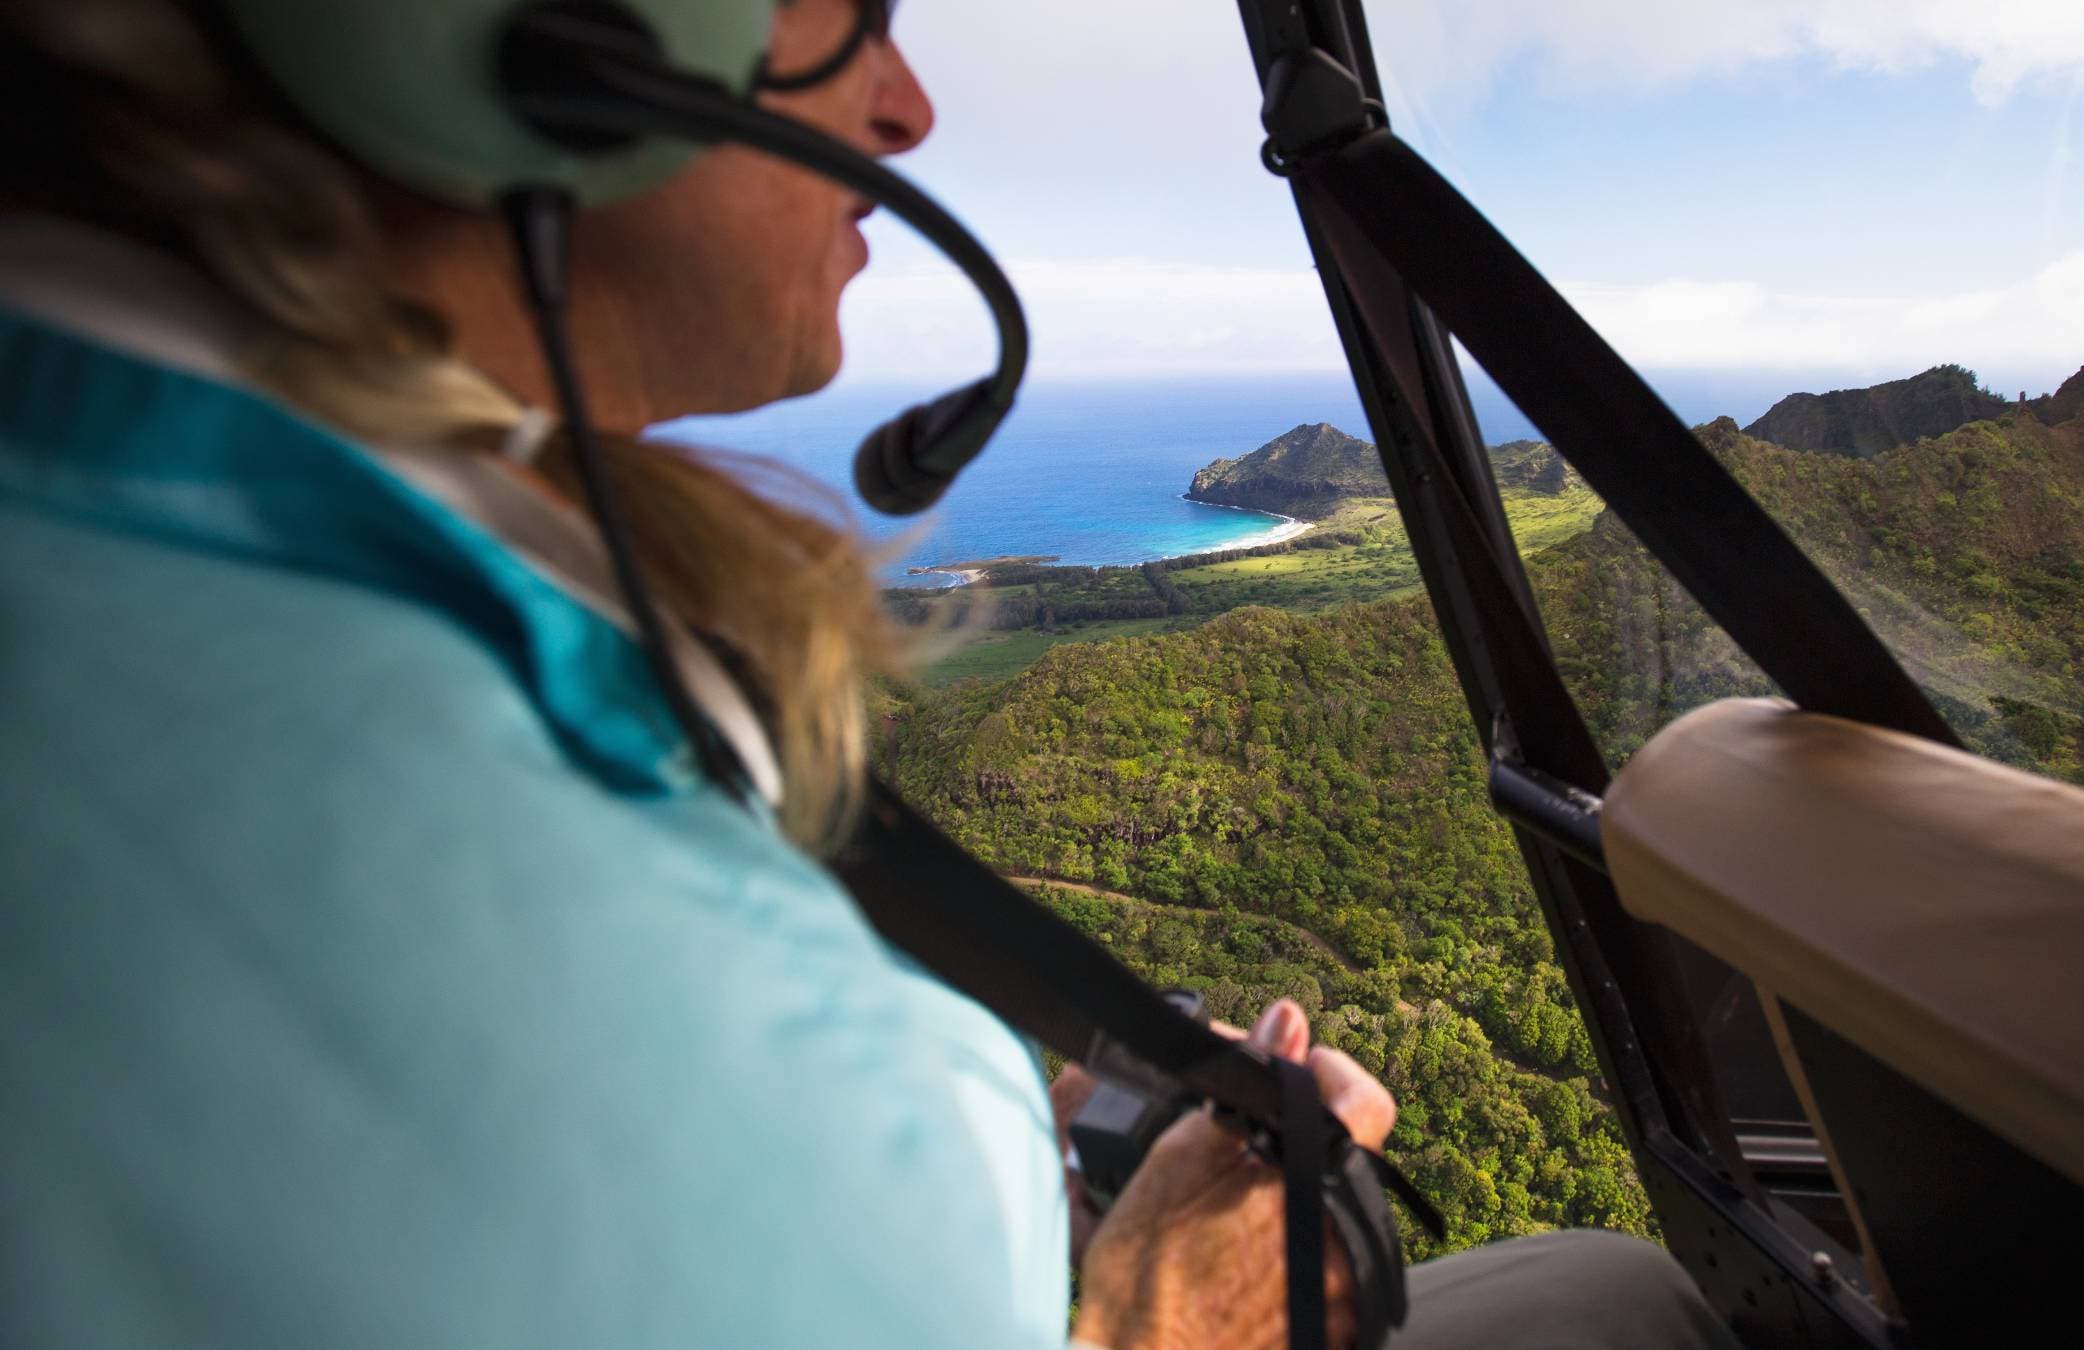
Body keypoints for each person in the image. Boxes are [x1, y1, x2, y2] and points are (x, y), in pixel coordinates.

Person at [0, 0, 1738, 1345]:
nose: (909, 106)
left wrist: (1006, 1107)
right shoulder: (431, 839)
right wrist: (1159, 1316)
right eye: (850, 10)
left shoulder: (169, 517)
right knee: (1626, 1304)